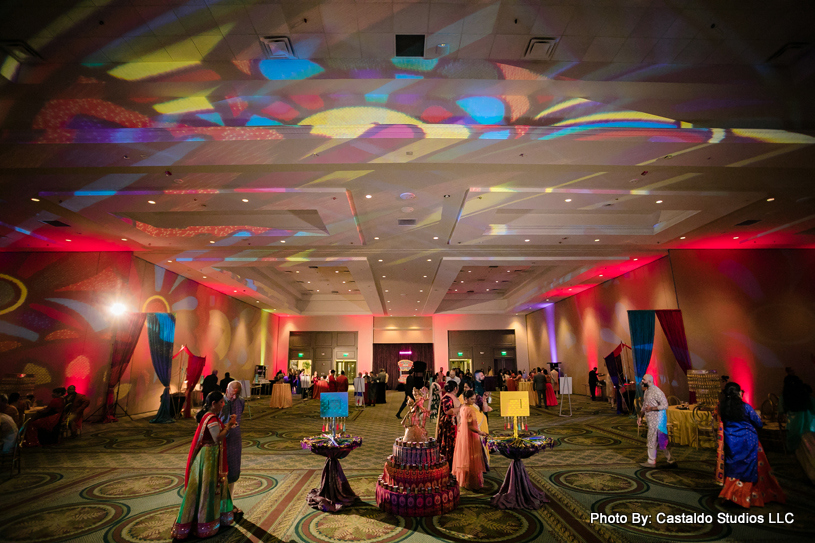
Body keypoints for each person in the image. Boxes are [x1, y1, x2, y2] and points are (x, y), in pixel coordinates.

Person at [172, 391, 238, 539]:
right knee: (208, 488)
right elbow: (216, 438)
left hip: (211, 455)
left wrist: (227, 426)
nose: (223, 404)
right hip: (209, 457)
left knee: (210, 487)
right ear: (213, 403)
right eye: (221, 402)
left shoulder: (207, 416)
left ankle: (212, 519)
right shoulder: (211, 419)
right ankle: (205, 523)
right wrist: (229, 426)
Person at [718, 382, 785, 508]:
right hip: (748, 441)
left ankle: (730, 495)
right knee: (749, 466)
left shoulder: (722, 407)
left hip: (731, 441)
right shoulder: (745, 407)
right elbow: (758, 423)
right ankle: (745, 497)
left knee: (733, 467)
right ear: (738, 393)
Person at [452, 390, 488, 490]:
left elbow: (459, 421)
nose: (473, 401)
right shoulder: (470, 410)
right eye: (471, 399)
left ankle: (463, 480)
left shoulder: (462, 408)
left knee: (464, 457)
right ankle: (471, 482)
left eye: (474, 399)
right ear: (466, 399)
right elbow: (470, 426)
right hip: (470, 435)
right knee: (472, 458)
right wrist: (480, 432)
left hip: (462, 435)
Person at [638, 374, 675, 468]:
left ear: (650, 381)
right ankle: (671, 460)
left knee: (656, 439)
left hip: (658, 420)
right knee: (657, 440)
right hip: (651, 420)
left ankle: (652, 461)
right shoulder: (647, 391)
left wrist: (652, 408)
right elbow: (644, 405)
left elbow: (665, 405)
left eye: (644, 380)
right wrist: (640, 417)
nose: (642, 382)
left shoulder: (657, 391)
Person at [221, 381, 245, 517]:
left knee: (233, 471)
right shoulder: (221, 403)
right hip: (223, 439)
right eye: (232, 394)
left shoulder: (240, 402)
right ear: (226, 390)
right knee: (222, 471)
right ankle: (222, 504)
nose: (234, 397)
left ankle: (229, 503)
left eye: (237, 394)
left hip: (235, 439)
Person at [438, 381, 460, 469]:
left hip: (452, 423)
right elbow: (447, 411)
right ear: (455, 389)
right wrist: (460, 408)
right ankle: (448, 465)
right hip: (448, 425)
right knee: (449, 444)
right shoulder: (447, 398)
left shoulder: (451, 397)